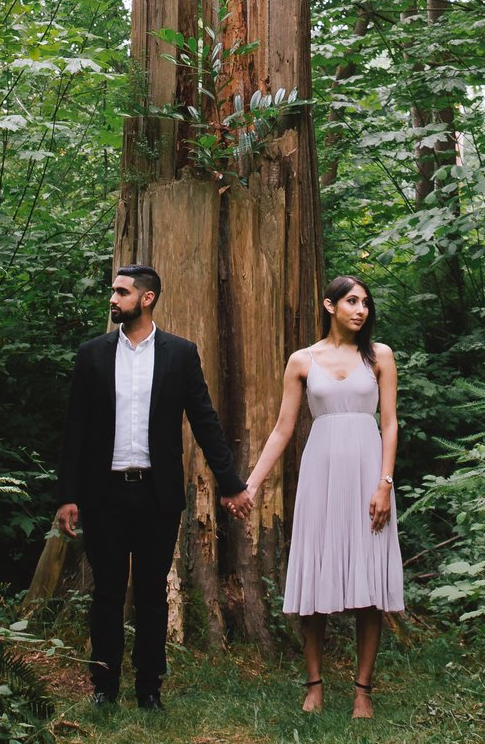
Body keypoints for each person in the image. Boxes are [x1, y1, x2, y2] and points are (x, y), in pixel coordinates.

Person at [56, 264, 252, 709]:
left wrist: (231, 484)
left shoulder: (180, 354)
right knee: (106, 592)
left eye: (122, 292)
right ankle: (104, 687)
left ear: (147, 299)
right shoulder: (93, 354)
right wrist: (67, 496)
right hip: (102, 493)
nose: (113, 299)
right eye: (113, 291)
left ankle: (149, 689)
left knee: (150, 593)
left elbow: (205, 422)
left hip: (156, 494)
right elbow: (76, 430)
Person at [241, 274, 402, 718]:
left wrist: (384, 483)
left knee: (369, 581)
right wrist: (250, 485)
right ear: (330, 306)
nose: (361, 310)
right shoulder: (302, 360)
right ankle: (313, 684)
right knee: (315, 575)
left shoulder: (380, 357)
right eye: (352, 301)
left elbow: (389, 423)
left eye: (366, 303)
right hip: (321, 473)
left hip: (369, 472)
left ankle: (362, 691)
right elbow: (282, 429)